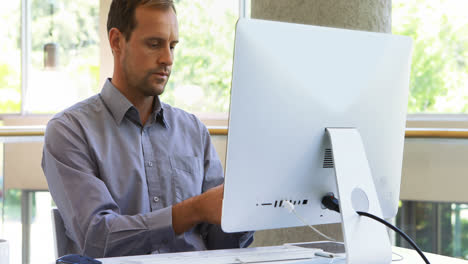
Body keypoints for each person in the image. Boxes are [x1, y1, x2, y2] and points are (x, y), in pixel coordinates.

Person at [42, 0, 252, 258]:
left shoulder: (193, 131)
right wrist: (194, 210)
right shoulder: (70, 131)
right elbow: (97, 239)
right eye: (154, 44)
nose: (168, 59)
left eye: (172, 46)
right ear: (117, 41)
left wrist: (248, 208)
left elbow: (222, 245)